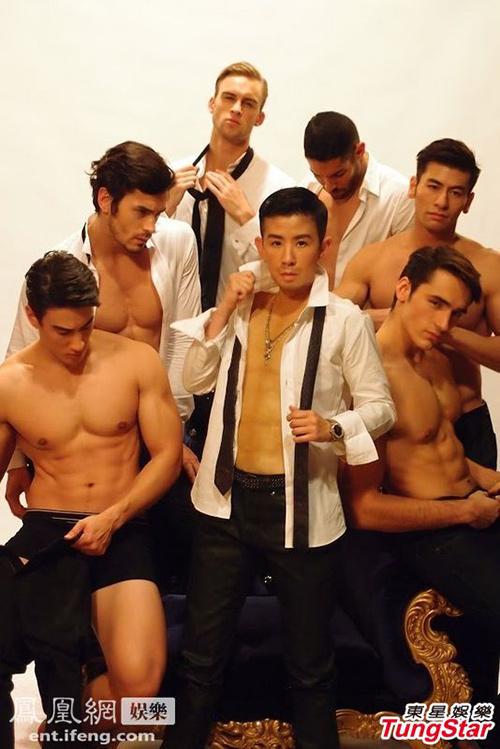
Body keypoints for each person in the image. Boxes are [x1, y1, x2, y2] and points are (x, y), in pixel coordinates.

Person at [161, 187, 396, 749]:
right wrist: (222, 309)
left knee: (311, 668)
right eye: (276, 242)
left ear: (324, 246)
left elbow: (381, 407)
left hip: (303, 508)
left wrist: (333, 426)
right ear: (261, 244)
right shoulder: (242, 307)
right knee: (200, 660)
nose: (288, 257)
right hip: (224, 503)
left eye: (301, 243)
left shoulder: (345, 321)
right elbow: (195, 380)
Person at [0, 251, 183, 748]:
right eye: (63, 331)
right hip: (48, 530)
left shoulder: (136, 361)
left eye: (86, 326)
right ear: (33, 316)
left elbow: (167, 456)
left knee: (144, 699)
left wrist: (115, 516)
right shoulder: (11, 382)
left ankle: (69, 718)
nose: (78, 343)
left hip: (122, 523)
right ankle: (64, 720)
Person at [341, 246, 500, 747]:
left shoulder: (435, 361)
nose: (444, 323)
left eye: (455, 313)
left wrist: (489, 478)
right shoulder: (370, 377)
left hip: (471, 508)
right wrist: (464, 510)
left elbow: (444, 451)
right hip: (435, 532)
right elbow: (364, 508)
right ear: (403, 289)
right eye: (435, 304)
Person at [5, 140, 200, 517]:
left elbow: (183, 340)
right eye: (141, 212)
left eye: (157, 213)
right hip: (85, 442)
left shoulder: (177, 242)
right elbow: (21, 360)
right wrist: (15, 462)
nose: (151, 226)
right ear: (106, 199)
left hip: (160, 426)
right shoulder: (61, 268)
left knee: (173, 545)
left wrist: (172, 435)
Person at [336, 138, 500, 468]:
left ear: (468, 201)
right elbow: (330, 321)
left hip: (466, 423)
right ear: (414, 186)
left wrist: (447, 331)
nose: (441, 201)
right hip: (396, 425)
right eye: (433, 186)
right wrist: (398, 317)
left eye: (455, 192)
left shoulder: (488, 265)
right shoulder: (373, 260)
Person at [165, 62, 294, 456]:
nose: (237, 108)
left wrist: (247, 217)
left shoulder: (279, 189)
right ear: (212, 103)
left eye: (248, 103)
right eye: (229, 98)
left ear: (260, 117)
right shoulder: (171, 177)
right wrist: (164, 208)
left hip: (239, 345)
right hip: (171, 339)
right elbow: (145, 253)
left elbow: (287, 275)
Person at [304, 111, 414, 286]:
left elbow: (409, 281)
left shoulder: (399, 198)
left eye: (338, 174)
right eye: (318, 175)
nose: (328, 186)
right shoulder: (308, 188)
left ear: (359, 151)